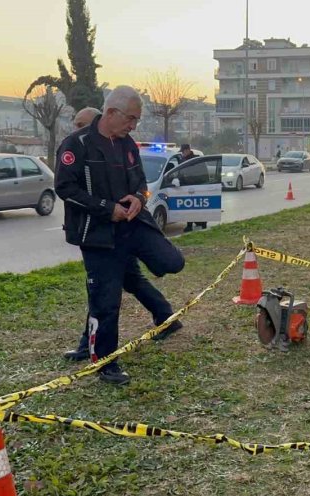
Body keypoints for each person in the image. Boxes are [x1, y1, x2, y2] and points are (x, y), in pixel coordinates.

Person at [55, 85, 186, 385]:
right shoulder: (77, 144)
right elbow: (64, 188)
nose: (133, 126)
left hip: (133, 225)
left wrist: (139, 197)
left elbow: (140, 181)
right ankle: (105, 364)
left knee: (172, 261)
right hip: (98, 235)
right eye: (131, 119)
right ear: (112, 112)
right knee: (106, 300)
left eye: (136, 120)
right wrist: (106, 208)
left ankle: (161, 317)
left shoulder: (128, 144)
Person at [180, 143, 207, 233]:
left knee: (198, 206)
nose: (182, 154)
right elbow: (181, 173)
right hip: (186, 187)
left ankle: (203, 223)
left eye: (183, 152)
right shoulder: (183, 160)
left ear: (188, 150)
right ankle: (189, 225)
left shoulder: (196, 159)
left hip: (197, 186)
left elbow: (203, 173)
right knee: (189, 207)